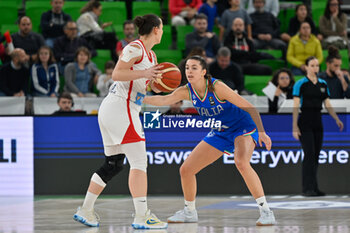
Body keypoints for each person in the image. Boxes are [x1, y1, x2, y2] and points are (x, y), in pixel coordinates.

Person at [143, 55, 276, 226]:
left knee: (241, 162)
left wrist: (262, 132)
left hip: (241, 126)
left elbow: (250, 108)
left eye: (194, 68)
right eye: (187, 68)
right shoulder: (186, 90)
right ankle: (189, 212)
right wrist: (139, 98)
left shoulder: (217, 87)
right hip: (220, 130)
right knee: (186, 169)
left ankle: (266, 211)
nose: (189, 71)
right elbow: (163, 99)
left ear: (204, 72)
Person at [73, 14, 168, 229]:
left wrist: (156, 82)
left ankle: (86, 210)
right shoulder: (135, 48)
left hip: (117, 109)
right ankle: (141, 216)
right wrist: (144, 72)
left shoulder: (151, 56)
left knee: (113, 164)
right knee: (139, 162)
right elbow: (117, 74)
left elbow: (144, 86)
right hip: (120, 108)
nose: (163, 31)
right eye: (161, 28)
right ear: (155, 29)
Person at [292, 56, 344, 196]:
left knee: (316, 155)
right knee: (308, 154)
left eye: (317, 65)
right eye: (312, 65)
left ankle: (314, 187)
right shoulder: (300, 84)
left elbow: (327, 104)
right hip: (305, 121)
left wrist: (336, 119)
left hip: (317, 120)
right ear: (307, 67)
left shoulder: (323, 84)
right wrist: (294, 126)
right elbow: (296, 106)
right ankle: (307, 188)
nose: (315, 68)